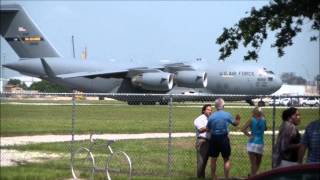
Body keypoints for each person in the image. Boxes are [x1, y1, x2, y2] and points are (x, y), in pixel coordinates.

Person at [207, 98, 240, 180]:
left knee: (213, 159)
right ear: (223, 105)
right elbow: (235, 124)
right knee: (226, 159)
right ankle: (226, 177)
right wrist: (238, 119)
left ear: (215, 106)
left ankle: (213, 177)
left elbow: (208, 128)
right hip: (224, 138)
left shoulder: (212, 116)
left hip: (214, 138)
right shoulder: (227, 114)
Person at [241, 107, 267, 176]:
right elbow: (265, 128)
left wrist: (249, 135)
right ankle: (254, 175)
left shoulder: (251, 120)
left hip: (252, 143)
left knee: (253, 163)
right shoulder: (264, 120)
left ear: (254, 113)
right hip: (260, 143)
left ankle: (253, 175)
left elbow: (243, 129)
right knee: (258, 163)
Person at [194, 104, 213, 178]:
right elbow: (201, 129)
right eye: (208, 109)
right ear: (203, 110)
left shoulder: (210, 119)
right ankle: (199, 177)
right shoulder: (199, 119)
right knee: (201, 161)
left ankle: (202, 177)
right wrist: (211, 127)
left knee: (205, 161)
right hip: (202, 141)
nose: (210, 111)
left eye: (211, 110)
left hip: (210, 141)